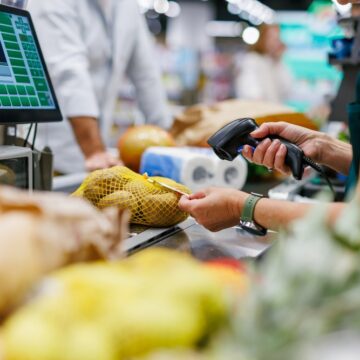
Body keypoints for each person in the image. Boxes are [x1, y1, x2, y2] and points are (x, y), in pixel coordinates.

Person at [179, 0, 359, 233]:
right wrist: (323, 147)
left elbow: (355, 220)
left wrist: (241, 207)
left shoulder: (278, 64)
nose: (341, 2)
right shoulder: (253, 63)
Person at [28, 0, 171, 174]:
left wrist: (167, 145)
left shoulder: (127, 6)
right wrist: (95, 151)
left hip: (100, 153)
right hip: (53, 157)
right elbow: (69, 74)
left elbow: (147, 76)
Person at [235, 24, 293, 104]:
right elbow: (250, 89)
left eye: (277, 38)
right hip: (259, 111)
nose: (275, 42)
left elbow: (287, 90)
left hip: (273, 110)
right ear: (262, 39)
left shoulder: (276, 62)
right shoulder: (252, 59)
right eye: (271, 38)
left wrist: (279, 60)